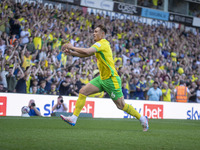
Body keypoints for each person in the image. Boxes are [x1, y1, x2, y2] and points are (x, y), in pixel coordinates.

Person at [60, 25, 149, 131]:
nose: (94, 33)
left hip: (112, 80)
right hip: (102, 78)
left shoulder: (103, 43)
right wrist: (72, 53)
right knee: (83, 91)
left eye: (96, 31)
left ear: (102, 34)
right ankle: (73, 118)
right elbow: (87, 54)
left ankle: (142, 119)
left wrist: (72, 47)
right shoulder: (98, 45)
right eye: (93, 31)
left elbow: (87, 51)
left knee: (121, 105)